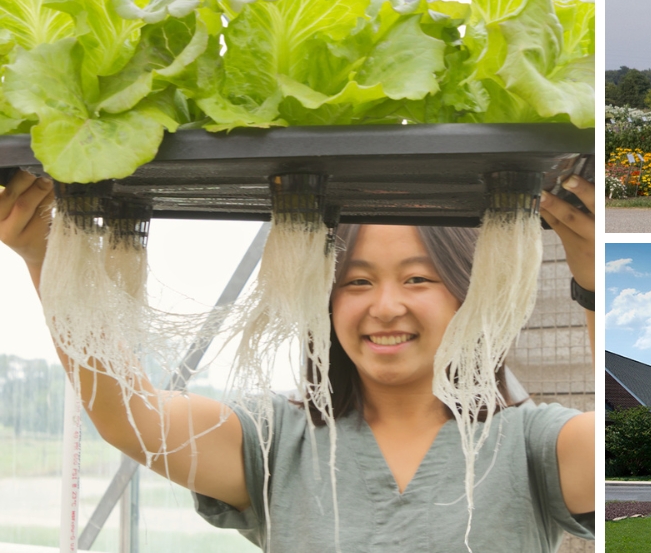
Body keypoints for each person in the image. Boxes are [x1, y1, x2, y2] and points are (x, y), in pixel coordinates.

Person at [0, 169, 596, 552]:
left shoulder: (529, 443)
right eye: (357, 282)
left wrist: (593, 279)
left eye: (418, 278)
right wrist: (46, 256)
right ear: (327, 301)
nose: (385, 307)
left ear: (471, 293)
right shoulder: (276, 440)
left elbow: (609, 452)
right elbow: (131, 417)